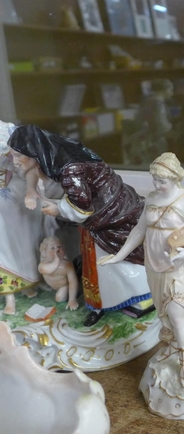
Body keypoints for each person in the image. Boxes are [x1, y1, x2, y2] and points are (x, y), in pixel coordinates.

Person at [8, 124, 152, 326]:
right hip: (99, 220)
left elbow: (82, 205)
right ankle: (102, 303)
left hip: (109, 219)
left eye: (17, 156)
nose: (14, 162)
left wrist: (58, 209)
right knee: (96, 265)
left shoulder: (70, 169)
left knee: (113, 263)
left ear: (34, 152)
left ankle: (138, 297)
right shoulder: (54, 161)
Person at [98, 152, 184, 388]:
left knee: (176, 314)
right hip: (154, 268)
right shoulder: (151, 199)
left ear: (174, 179)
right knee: (164, 315)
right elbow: (139, 232)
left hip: (175, 268)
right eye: (155, 180)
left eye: (162, 181)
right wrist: (118, 257)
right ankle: (176, 348)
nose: (157, 185)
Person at [0, 121, 43, 315]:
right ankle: (9, 294)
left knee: (21, 242)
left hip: (12, 192)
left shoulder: (8, 132)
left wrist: (31, 190)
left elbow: (29, 168)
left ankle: (26, 280)